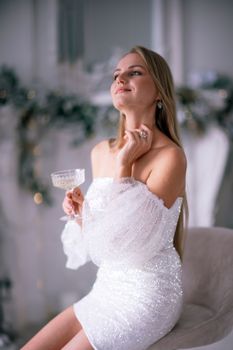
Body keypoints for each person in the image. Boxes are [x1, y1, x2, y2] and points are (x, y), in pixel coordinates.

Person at [21, 46, 187, 350]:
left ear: (159, 93)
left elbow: (124, 245)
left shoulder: (171, 157)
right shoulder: (101, 151)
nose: (120, 78)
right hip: (106, 289)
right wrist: (82, 215)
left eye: (134, 72)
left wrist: (124, 165)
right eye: (115, 75)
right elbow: (98, 242)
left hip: (148, 294)